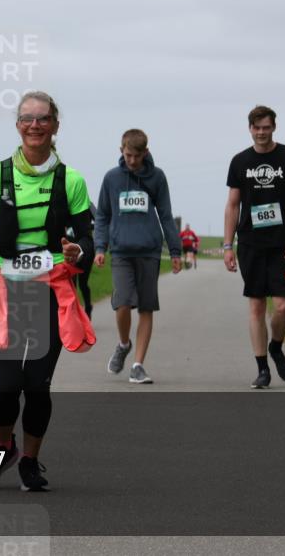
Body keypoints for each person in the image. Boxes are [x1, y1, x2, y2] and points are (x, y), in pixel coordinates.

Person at [0, 91, 95, 492]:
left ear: (55, 126)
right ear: (17, 125)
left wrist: (78, 251)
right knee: (6, 385)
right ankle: (2, 445)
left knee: (36, 384)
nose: (35, 125)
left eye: (43, 119)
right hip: (3, 288)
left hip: (50, 289)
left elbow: (88, 239)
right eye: (27, 118)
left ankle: (29, 461)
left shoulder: (70, 180)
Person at [223, 105, 285, 389]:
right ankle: (262, 368)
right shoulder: (239, 162)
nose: (261, 133)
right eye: (257, 128)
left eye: (266, 127)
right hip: (250, 244)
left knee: (282, 306)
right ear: (250, 129)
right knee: (257, 305)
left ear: (274, 127)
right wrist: (227, 245)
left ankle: (276, 346)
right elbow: (233, 205)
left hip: (283, 244)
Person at [95, 129, 182, 384]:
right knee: (122, 303)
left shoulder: (157, 177)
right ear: (121, 151)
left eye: (136, 156)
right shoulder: (112, 178)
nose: (132, 161)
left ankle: (138, 365)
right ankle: (124, 345)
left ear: (146, 152)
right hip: (121, 251)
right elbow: (102, 216)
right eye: (128, 155)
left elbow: (166, 215)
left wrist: (175, 251)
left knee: (146, 308)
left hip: (149, 251)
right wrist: (101, 247)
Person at [74, 203, 97, 318]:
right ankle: (73, 314)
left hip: (86, 250)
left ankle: (88, 306)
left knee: (83, 283)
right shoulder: (62, 199)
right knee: (71, 285)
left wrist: (87, 228)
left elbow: (99, 220)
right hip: (69, 251)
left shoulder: (87, 203)